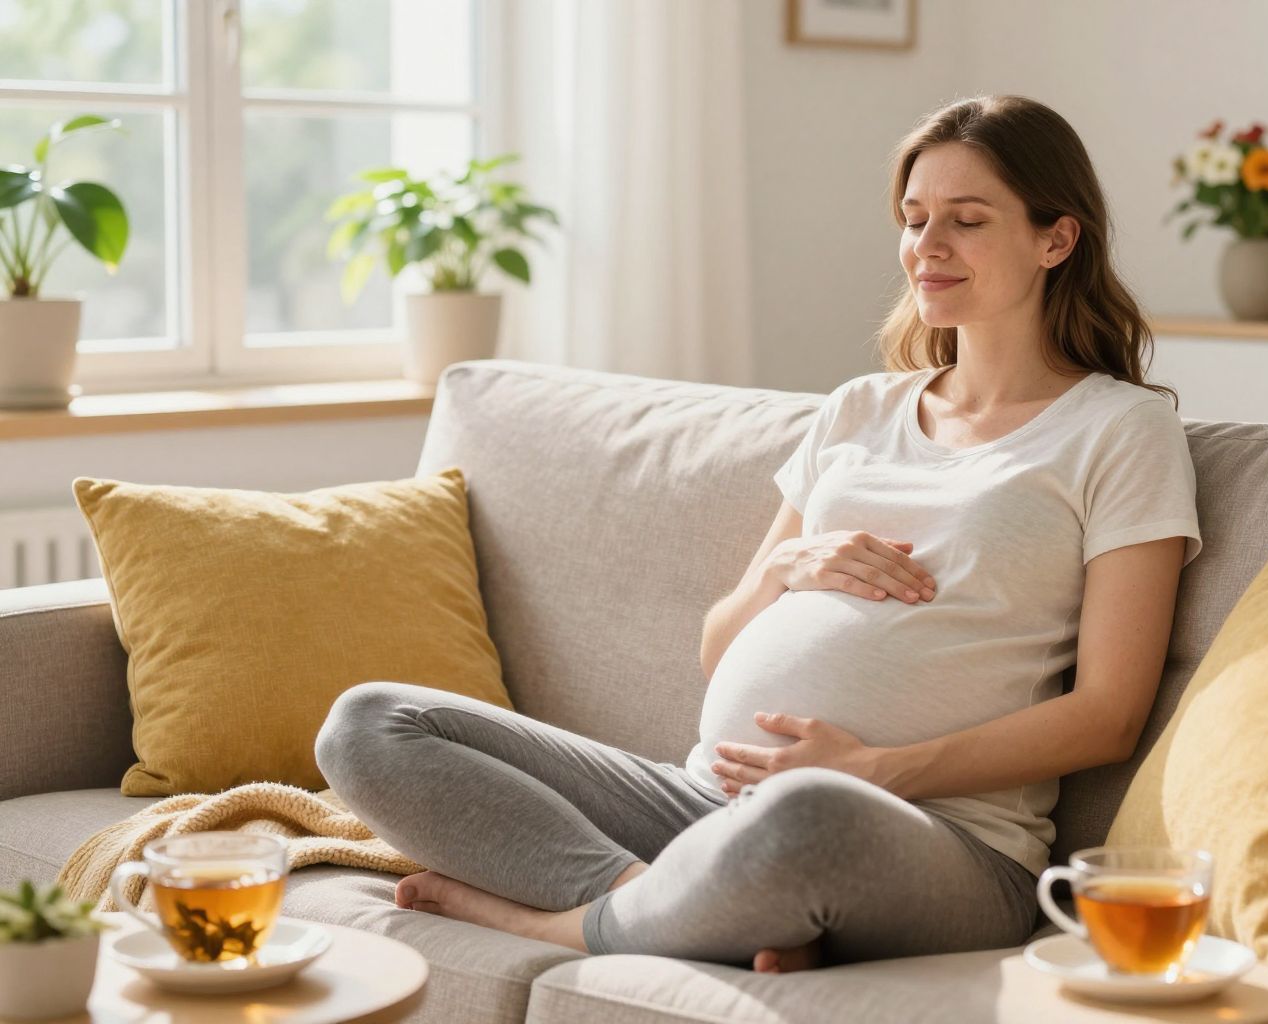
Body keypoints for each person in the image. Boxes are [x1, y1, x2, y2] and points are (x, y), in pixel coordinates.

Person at [314, 93, 1201, 976]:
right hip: (705, 802)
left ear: (1056, 239)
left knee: (806, 814)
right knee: (372, 724)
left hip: (931, 838)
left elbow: (1109, 715)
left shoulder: (1120, 430)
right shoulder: (860, 409)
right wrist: (784, 566)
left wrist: (877, 769)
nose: (927, 247)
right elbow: (719, 650)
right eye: (913, 218)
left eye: (966, 221)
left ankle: (567, 927)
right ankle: (660, 897)